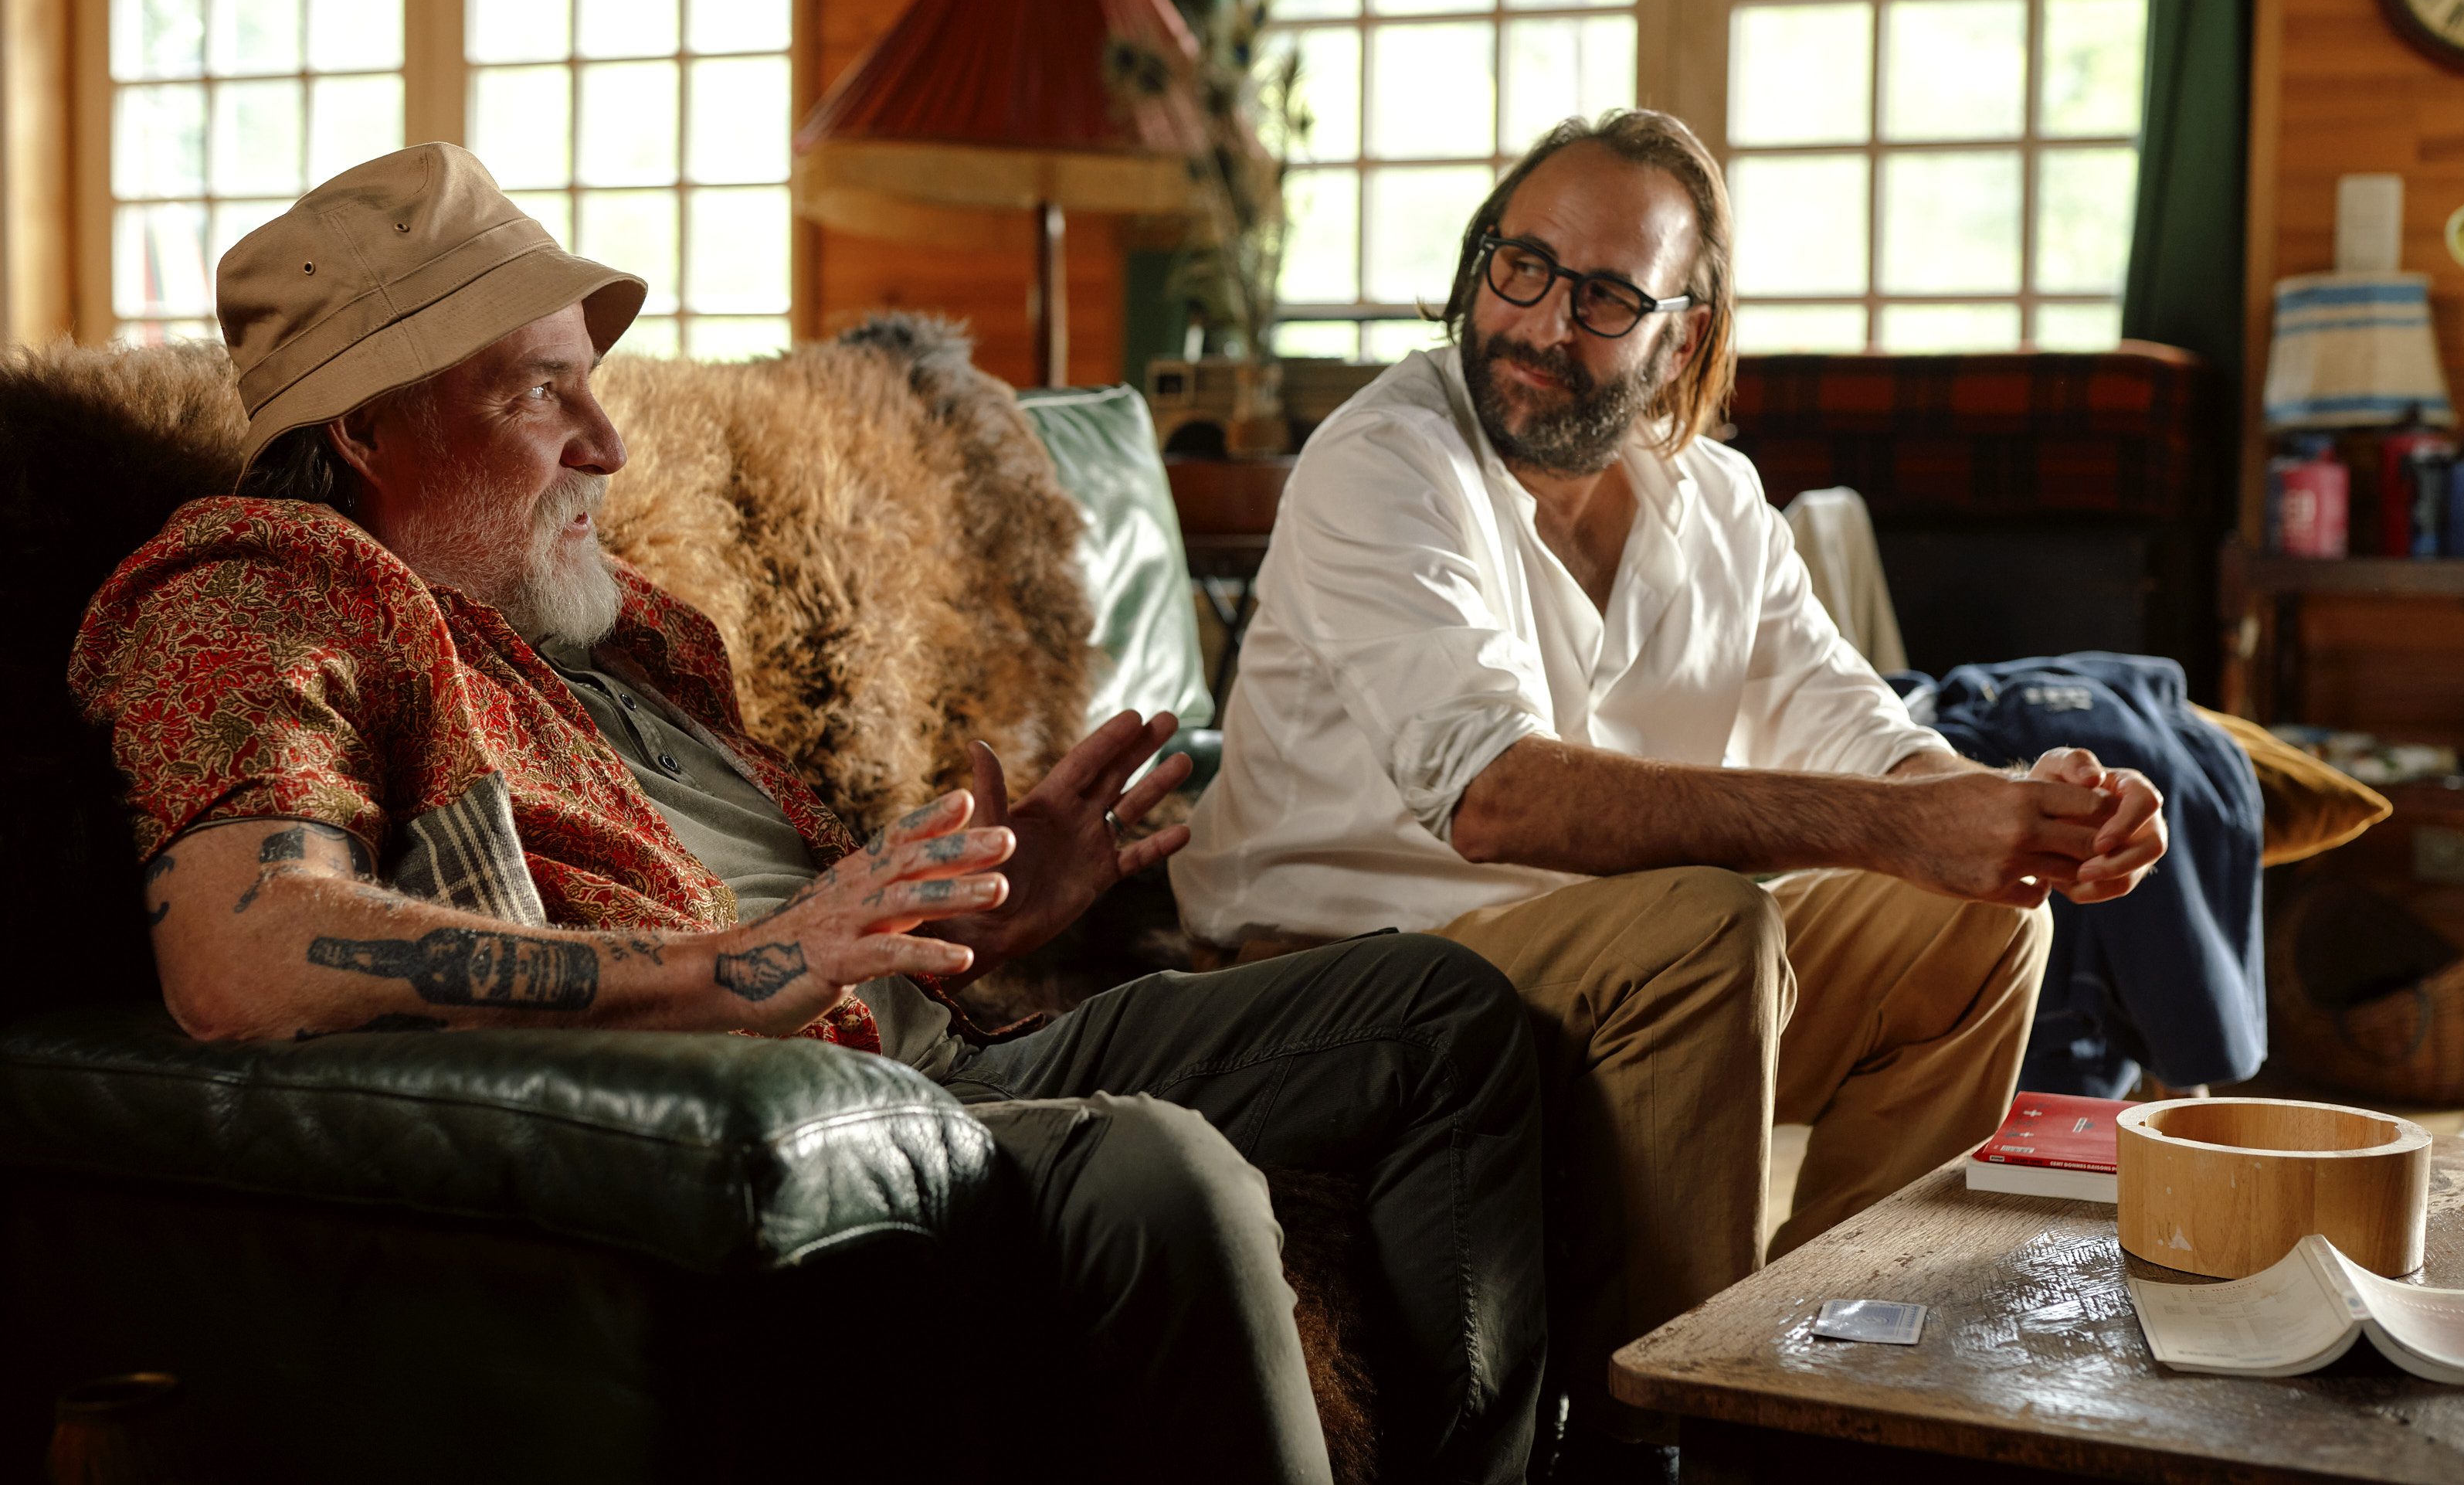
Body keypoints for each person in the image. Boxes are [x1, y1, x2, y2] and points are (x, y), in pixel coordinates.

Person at [69, 143, 1549, 1485]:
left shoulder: (621, 627)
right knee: (1166, 1173)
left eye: (591, 383)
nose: (608, 442)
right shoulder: (259, 586)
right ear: (367, 429)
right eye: (538, 393)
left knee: (1447, 1015)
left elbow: (788, 914)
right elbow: (243, 953)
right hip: (785, 1116)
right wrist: (757, 967)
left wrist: (963, 911)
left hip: (939, 1040)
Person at [1171, 109, 2170, 1468]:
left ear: (1682, 338)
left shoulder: (1719, 503)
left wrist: (2011, 812)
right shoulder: (1383, 461)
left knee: (1982, 914)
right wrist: (1903, 824)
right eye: (1520, 265)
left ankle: (1835, 1380)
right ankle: (1662, 1433)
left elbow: (1863, 734)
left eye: (1604, 297)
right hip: (1339, 984)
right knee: (1710, 923)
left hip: (1605, 975)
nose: (1539, 322)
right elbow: (1494, 797)